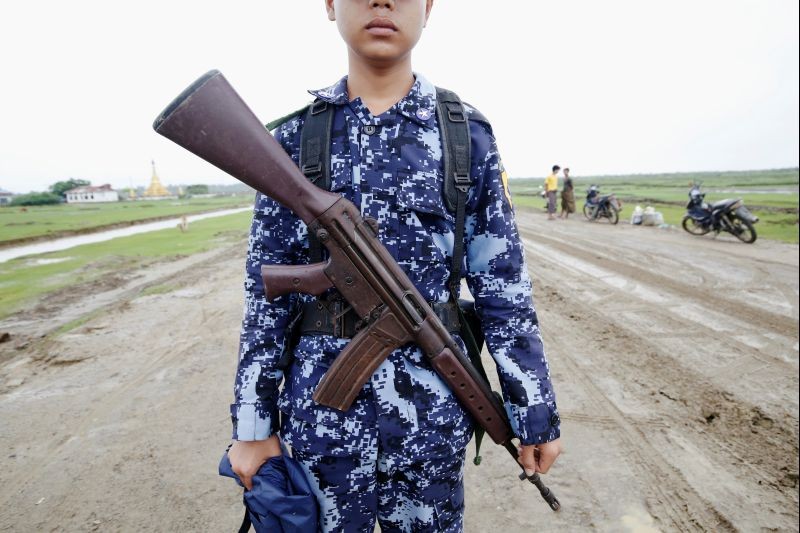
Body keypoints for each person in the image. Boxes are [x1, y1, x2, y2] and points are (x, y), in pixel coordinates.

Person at [227, 1, 562, 531]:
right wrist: (251, 426)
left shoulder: (465, 136)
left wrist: (533, 414)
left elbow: (505, 291)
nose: (382, 2)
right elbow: (264, 302)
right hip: (321, 420)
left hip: (432, 418)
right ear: (330, 5)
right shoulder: (292, 140)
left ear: (429, 7)